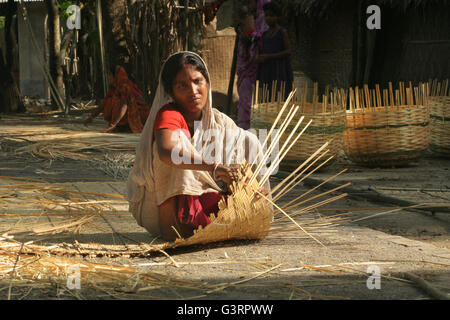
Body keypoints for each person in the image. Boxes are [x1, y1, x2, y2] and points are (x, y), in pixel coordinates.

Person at [126, 52, 269, 241]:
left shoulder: (217, 120)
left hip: (203, 198)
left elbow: (243, 153)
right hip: (159, 208)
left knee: (247, 140)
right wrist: (214, 167)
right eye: (182, 86)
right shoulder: (169, 114)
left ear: (207, 83)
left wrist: (249, 186)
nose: (193, 90)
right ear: (171, 92)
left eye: (197, 81)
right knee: (178, 149)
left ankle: (247, 213)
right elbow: (165, 151)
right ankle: (174, 230)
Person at [84, 65, 150, 133]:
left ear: (115, 76)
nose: (107, 77)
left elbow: (124, 106)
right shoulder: (114, 89)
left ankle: (125, 125)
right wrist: (91, 117)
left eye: (109, 74)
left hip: (139, 115)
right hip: (129, 115)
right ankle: (121, 125)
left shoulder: (124, 87)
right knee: (110, 101)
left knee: (117, 102)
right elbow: (102, 104)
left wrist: (113, 125)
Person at [236, 0, 269, 130]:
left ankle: (252, 128)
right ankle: (245, 128)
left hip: (256, 65)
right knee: (245, 98)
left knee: (252, 99)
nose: (249, 5)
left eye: (251, 2)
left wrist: (252, 37)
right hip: (246, 63)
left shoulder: (263, 19)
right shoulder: (249, 17)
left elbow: (264, 38)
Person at [256, 1, 293, 101]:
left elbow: (288, 51)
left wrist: (270, 56)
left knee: (279, 96)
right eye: (266, 15)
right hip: (267, 70)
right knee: (267, 96)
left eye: (271, 15)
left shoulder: (282, 32)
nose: (268, 18)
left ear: (277, 17)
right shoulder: (264, 35)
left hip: (279, 70)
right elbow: (262, 51)